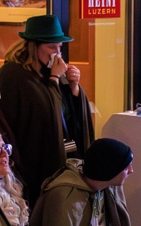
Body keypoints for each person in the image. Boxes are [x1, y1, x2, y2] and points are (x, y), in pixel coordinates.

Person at [0, 15, 94, 206]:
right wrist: (54, 79)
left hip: (63, 162)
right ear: (33, 47)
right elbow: (43, 116)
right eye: (51, 47)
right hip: (32, 166)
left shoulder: (49, 72)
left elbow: (65, 114)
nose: (57, 53)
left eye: (60, 47)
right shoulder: (15, 75)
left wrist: (74, 88)